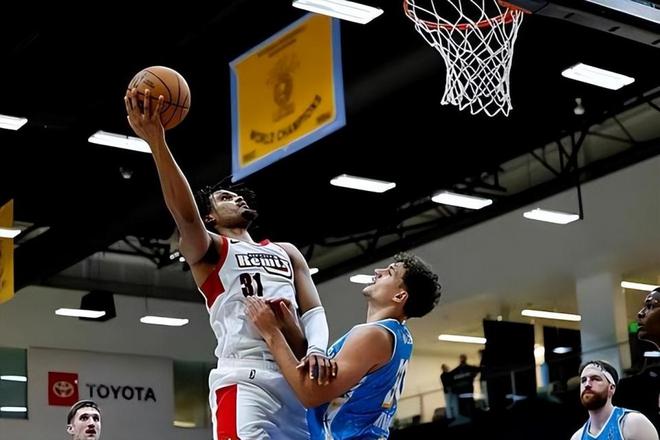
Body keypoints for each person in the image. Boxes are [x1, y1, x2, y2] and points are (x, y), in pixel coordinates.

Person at [125, 88, 330, 439]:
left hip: (293, 378)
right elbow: (184, 214)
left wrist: (316, 350)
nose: (236, 198)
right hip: (244, 378)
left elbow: (313, 311)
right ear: (210, 217)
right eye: (225, 197)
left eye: (237, 195)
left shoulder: (287, 251)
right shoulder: (212, 250)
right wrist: (157, 141)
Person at [246, 252, 442, 439]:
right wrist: (290, 328)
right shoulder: (399, 336)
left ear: (399, 296)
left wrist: (272, 334)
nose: (378, 271)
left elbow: (311, 395)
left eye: (389, 273)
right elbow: (319, 377)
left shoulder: (375, 335)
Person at [570, 360, 658, 440]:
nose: (587, 384)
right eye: (583, 380)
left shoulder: (633, 423)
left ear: (611, 388)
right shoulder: (577, 438)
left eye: (595, 379)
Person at [451, 353, 480, 421]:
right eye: (462, 358)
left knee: (467, 403)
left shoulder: (459, 369)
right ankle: (470, 417)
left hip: (464, 389)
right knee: (468, 403)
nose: (462, 359)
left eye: (462, 358)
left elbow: (476, 371)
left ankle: (469, 418)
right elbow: (476, 371)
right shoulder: (464, 368)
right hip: (466, 388)